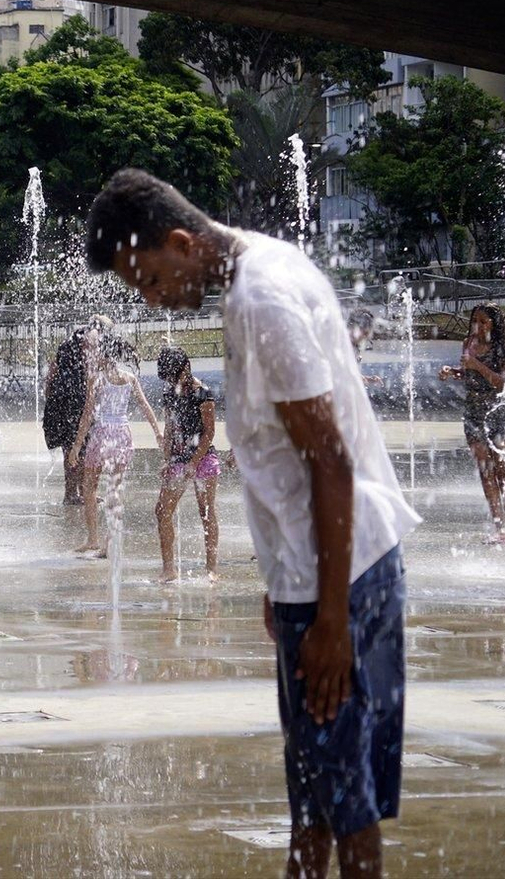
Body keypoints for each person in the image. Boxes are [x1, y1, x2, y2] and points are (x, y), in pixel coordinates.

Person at [87, 168, 417, 879]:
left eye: (147, 280)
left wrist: (330, 616)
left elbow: (329, 460)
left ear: (181, 242)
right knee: (316, 808)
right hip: (330, 571)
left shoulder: (261, 299)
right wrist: (285, 577)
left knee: (342, 811)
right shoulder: (261, 268)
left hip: (343, 582)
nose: (152, 301)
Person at [70, 332, 162, 558]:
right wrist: (157, 432)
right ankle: (109, 543)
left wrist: (76, 446)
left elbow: (86, 416)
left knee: (89, 487)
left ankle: (93, 539)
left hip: (102, 434)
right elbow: (145, 406)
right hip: (122, 434)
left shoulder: (97, 379)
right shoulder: (130, 378)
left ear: (105, 355)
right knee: (115, 490)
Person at [439, 304, 505, 543]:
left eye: (483, 321)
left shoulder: (503, 348)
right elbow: (468, 372)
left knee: (503, 470)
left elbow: (504, 385)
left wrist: (476, 365)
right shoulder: (468, 343)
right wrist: (453, 371)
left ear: (494, 324)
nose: (478, 326)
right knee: (485, 469)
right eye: (475, 320)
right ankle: (499, 526)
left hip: (497, 412)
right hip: (473, 413)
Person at [154, 346, 221, 582]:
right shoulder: (171, 393)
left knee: (205, 512)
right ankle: (169, 569)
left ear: (185, 367)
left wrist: (193, 464)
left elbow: (209, 433)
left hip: (202, 459)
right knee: (162, 511)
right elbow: (171, 427)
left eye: (174, 375)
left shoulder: (204, 393)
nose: (172, 380)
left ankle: (211, 569)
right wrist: (166, 460)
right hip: (178, 459)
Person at [43, 322, 97, 504]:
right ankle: (74, 494)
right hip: (72, 406)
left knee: (74, 450)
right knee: (77, 450)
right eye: (90, 342)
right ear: (82, 343)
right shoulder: (80, 360)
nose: (93, 345)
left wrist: (50, 401)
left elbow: (49, 380)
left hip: (61, 407)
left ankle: (77, 492)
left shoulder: (64, 354)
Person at [347, 309, 385, 388]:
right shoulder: (341, 346)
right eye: (365, 332)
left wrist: (368, 379)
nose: (367, 336)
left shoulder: (354, 346)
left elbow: (347, 373)